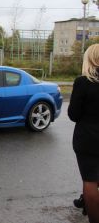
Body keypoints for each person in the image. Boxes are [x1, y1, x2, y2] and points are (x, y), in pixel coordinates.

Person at [68, 44, 99, 223]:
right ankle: (86, 202)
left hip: (88, 139)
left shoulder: (83, 82)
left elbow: (73, 115)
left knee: (90, 180)